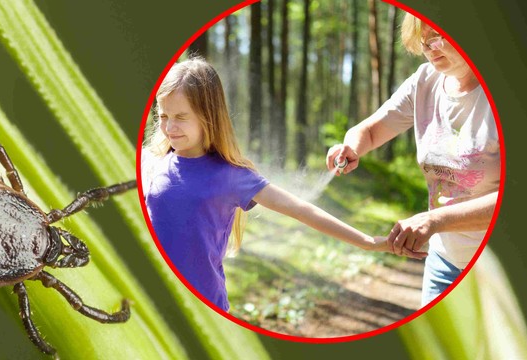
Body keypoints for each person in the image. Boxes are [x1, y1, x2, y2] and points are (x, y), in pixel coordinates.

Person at [141, 57, 425, 312]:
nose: (169, 127)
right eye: (163, 116)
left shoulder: (229, 175)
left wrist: (368, 243)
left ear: (208, 117)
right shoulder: (154, 162)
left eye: (180, 117)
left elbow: (301, 210)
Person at [326, 14, 499, 306]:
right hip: (444, 262)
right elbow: (368, 130)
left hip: (499, 271)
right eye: (422, 38)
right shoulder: (425, 81)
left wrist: (435, 219)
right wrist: (350, 147)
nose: (429, 47)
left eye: (438, 36)